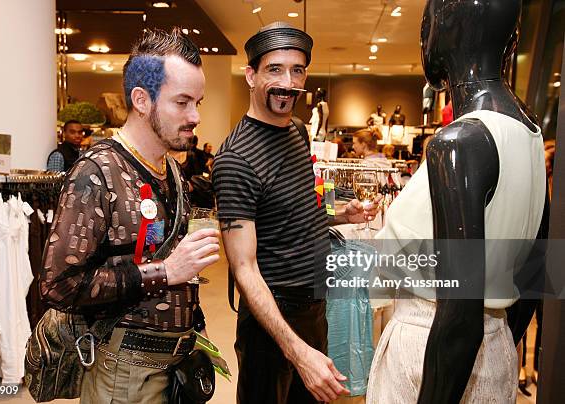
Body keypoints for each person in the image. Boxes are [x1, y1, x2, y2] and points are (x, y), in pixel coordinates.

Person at [366, 1, 547, 402]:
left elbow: (460, 314)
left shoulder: (459, 143)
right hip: (492, 350)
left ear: (444, 32)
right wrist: (497, 342)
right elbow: (535, 276)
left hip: (432, 353)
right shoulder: (529, 132)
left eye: (426, 23)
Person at [39, 28, 220, 403]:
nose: (195, 116)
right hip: (123, 374)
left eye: (198, 102)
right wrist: (167, 271)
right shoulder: (97, 171)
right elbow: (58, 285)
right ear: (142, 99)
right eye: (183, 102)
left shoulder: (171, 170)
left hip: (175, 367)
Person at [212, 21, 378, 404]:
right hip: (272, 319)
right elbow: (244, 268)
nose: (288, 81)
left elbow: (298, 207)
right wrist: (297, 350)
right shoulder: (235, 159)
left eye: (297, 70)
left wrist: (339, 214)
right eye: (275, 69)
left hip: (315, 304)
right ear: (250, 75)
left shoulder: (298, 131)